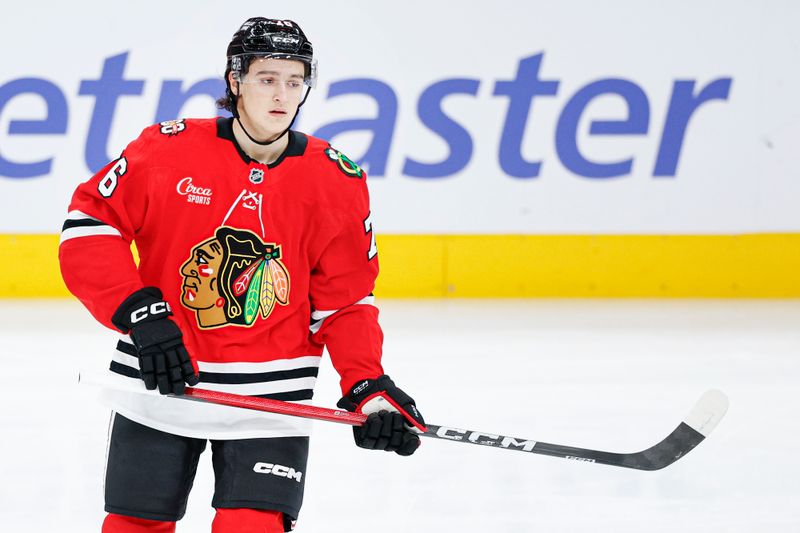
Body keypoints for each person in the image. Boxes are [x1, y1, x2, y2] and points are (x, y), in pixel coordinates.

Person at [59, 17, 425, 533]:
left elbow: (345, 301)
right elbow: (89, 226)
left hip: (270, 400)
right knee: (132, 527)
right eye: (266, 78)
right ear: (235, 81)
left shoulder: (337, 179)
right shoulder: (166, 150)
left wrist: (369, 385)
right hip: (163, 383)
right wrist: (141, 315)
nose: (282, 94)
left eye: (294, 81)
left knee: (249, 527)